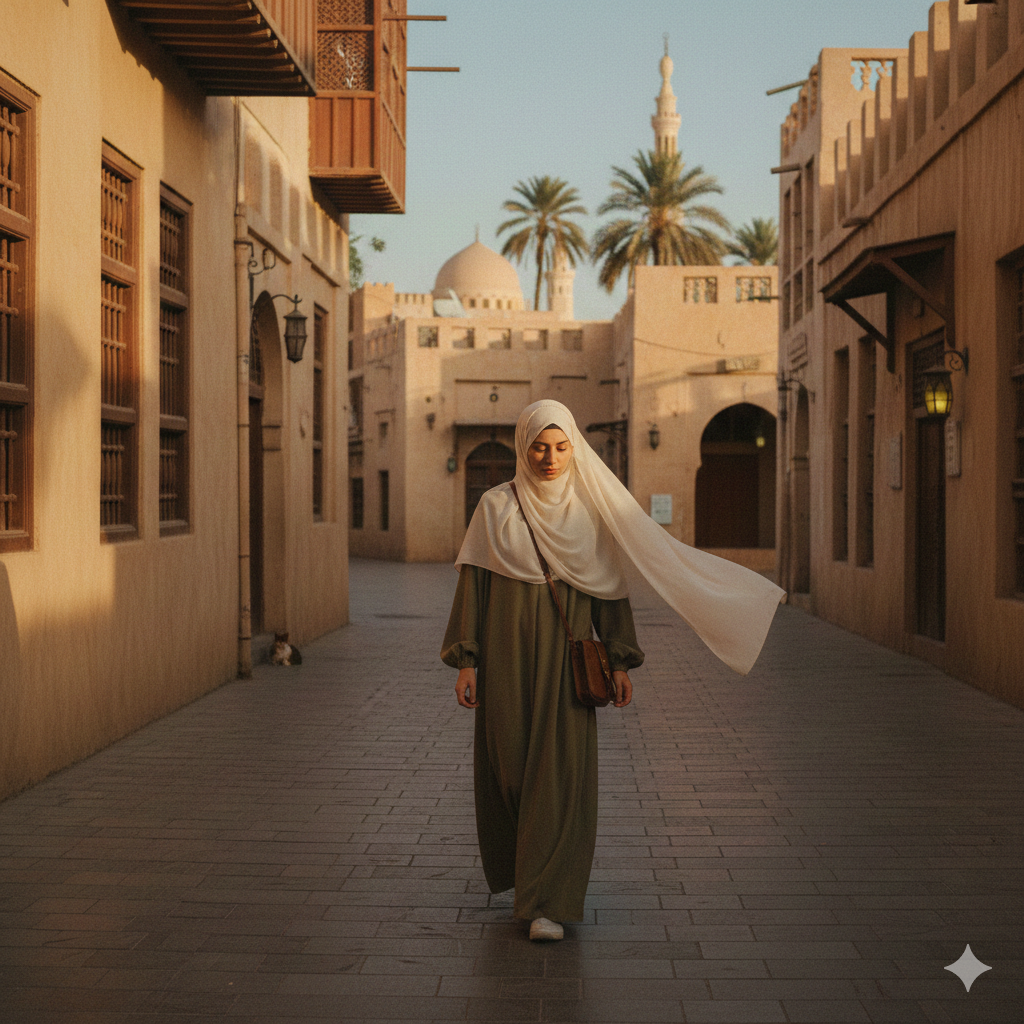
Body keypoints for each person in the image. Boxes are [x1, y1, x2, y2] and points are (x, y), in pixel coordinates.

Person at [441, 400, 784, 942]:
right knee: (510, 769)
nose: (549, 458)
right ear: (521, 446)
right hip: (505, 665)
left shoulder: (588, 514)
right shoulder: (494, 507)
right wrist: (467, 661)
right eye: (538, 446)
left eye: (560, 447)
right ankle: (527, 874)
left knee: (557, 776)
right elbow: (473, 589)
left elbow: (608, 593)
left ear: (574, 448)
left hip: (564, 661)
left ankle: (545, 901)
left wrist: (620, 657)